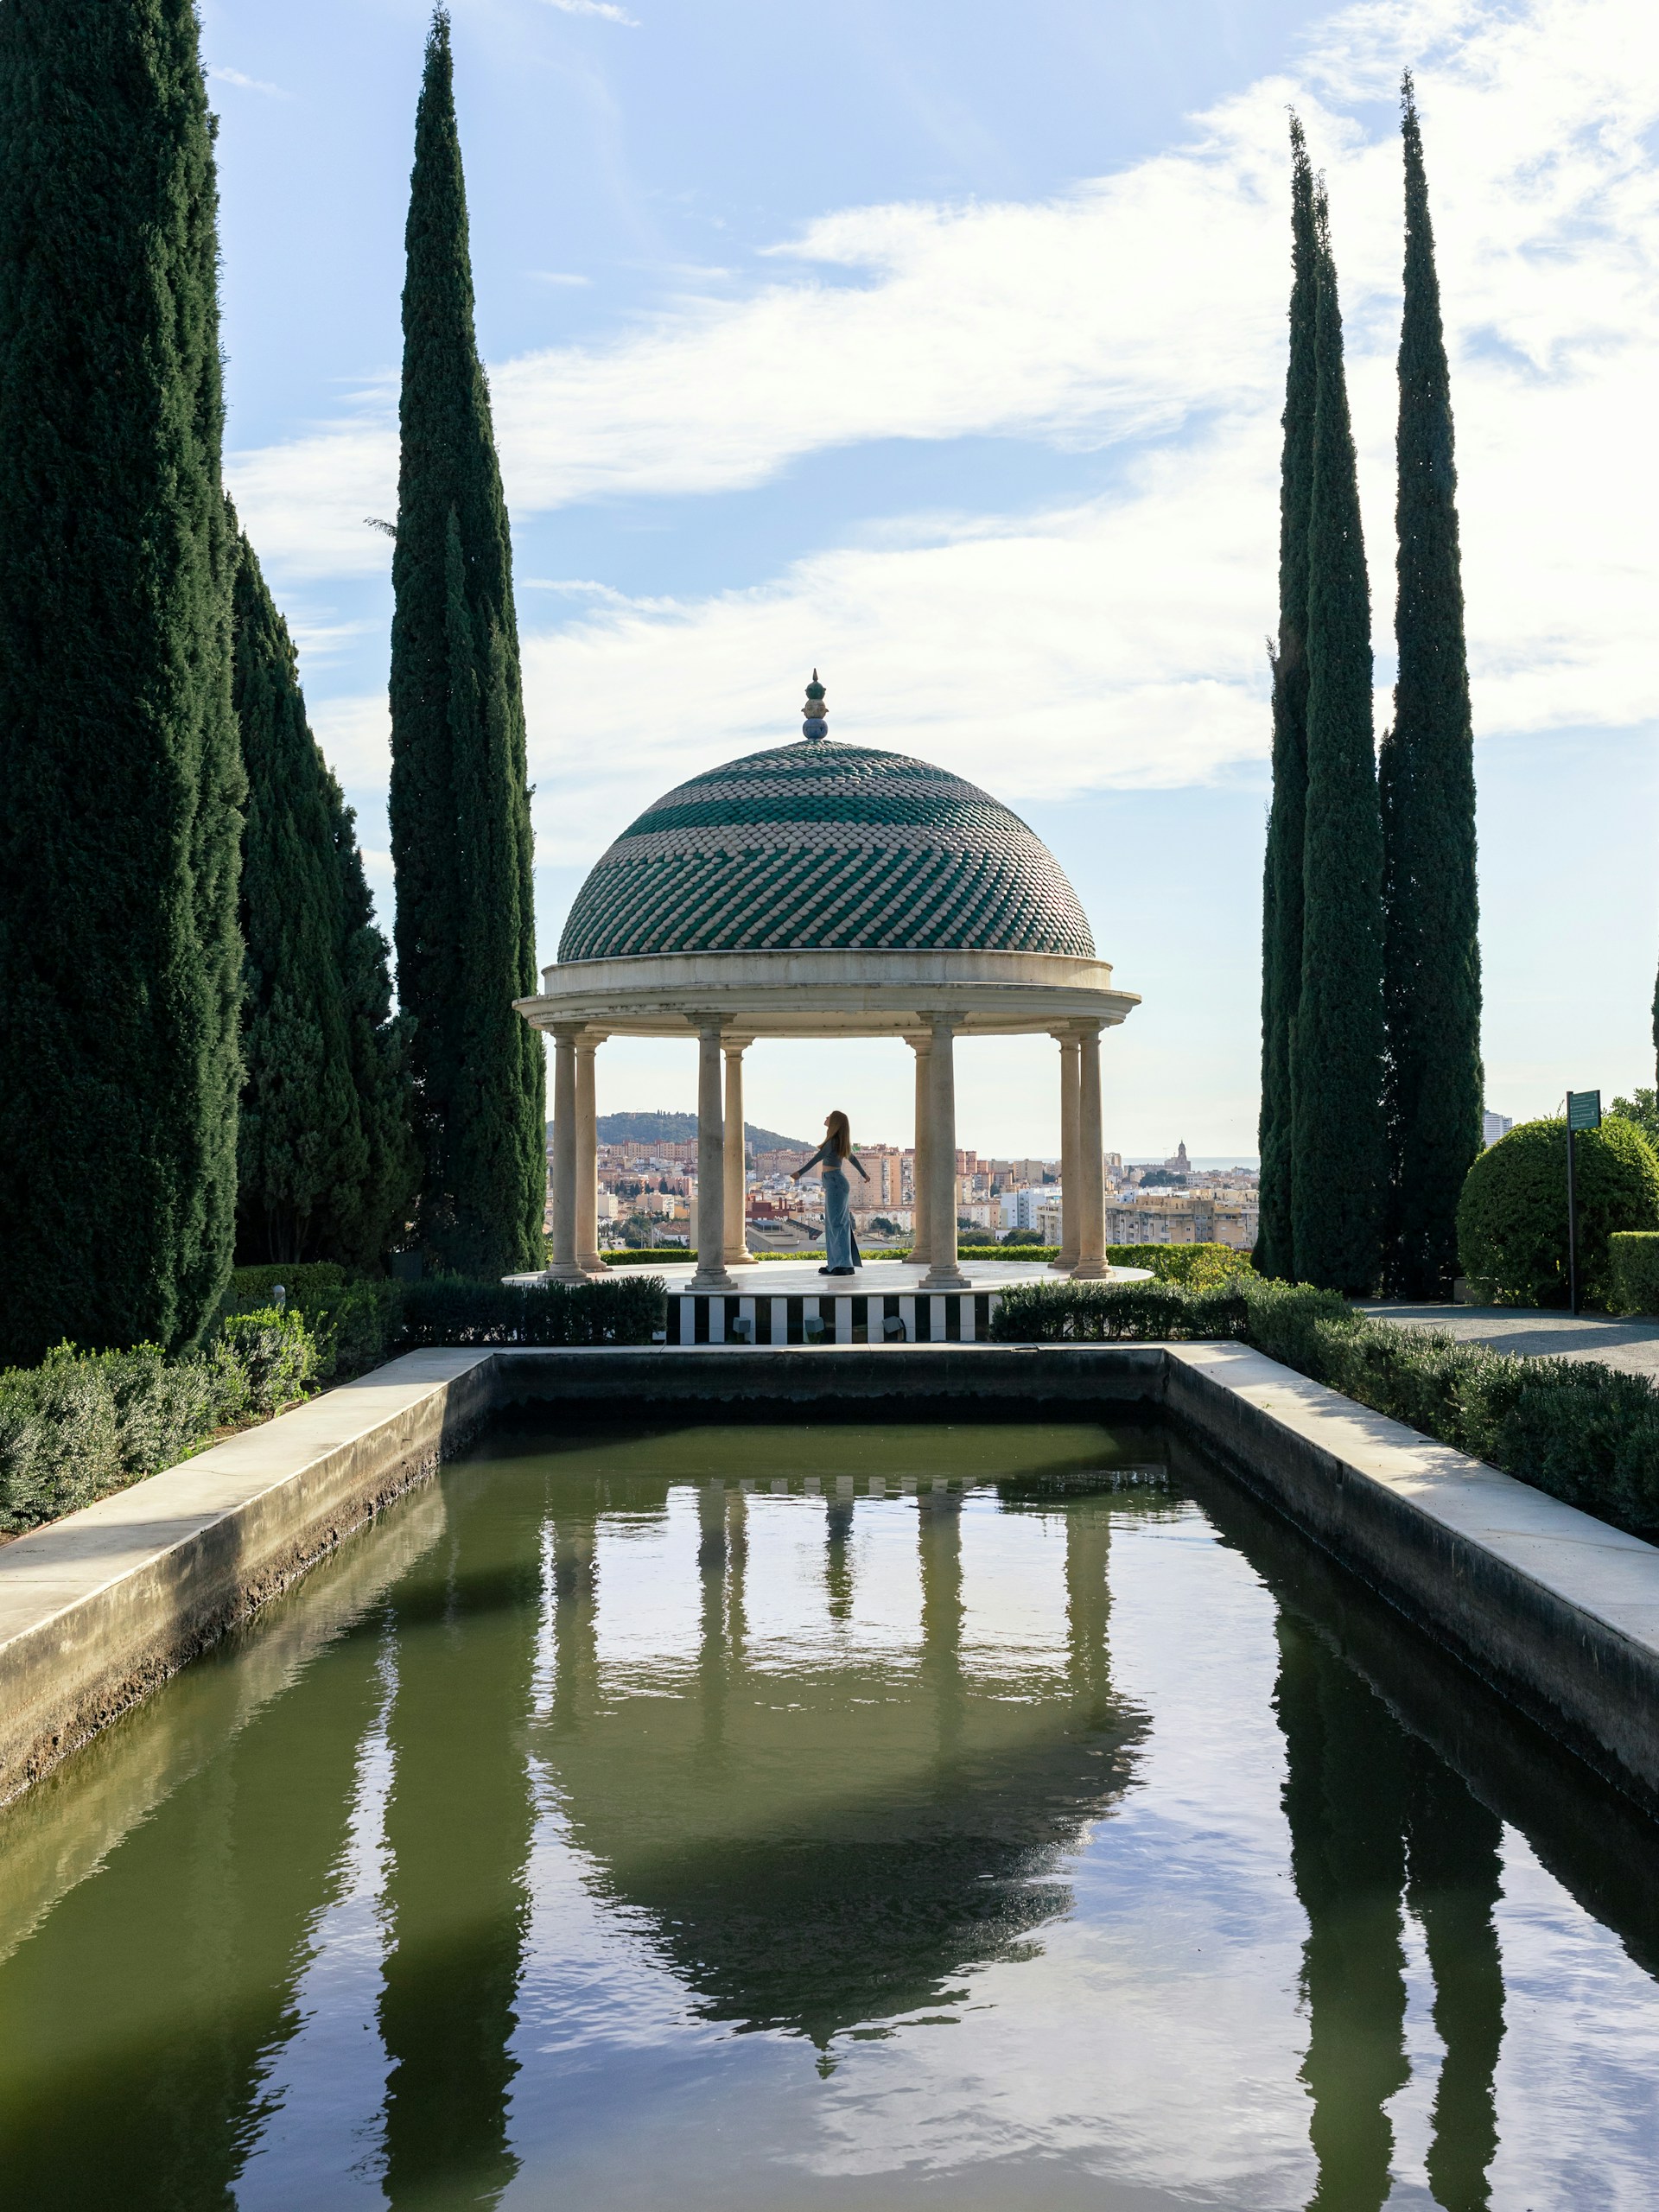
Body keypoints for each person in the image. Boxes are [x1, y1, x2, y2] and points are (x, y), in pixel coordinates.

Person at [791, 1110, 869, 1275]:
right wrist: (864, 1174)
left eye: (829, 1116)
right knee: (834, 1224)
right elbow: (853, 1159)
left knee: (837, 1224)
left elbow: (817, 1158)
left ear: (834, 1122)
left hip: (835, 1182)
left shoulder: (833, 1142)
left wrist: (799, 1173)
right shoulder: (837, 1142)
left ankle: (844, 1265)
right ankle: (835, 1264)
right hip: (834, 1182)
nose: (825, 1118)